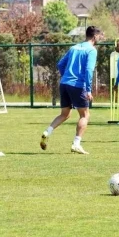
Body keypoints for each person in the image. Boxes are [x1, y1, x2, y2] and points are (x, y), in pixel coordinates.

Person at [40, 26, 103, 155]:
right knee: (85, 115)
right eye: (99, 36)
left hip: (64, 84)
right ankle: (76, 144)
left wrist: (66, 76)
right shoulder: (91, 50)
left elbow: (60, 64)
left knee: (65, 114)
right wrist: (88, 90)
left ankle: (47, 132)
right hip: (78, 85)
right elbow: (89, 70)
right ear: (95, 37)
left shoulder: (74, 47)